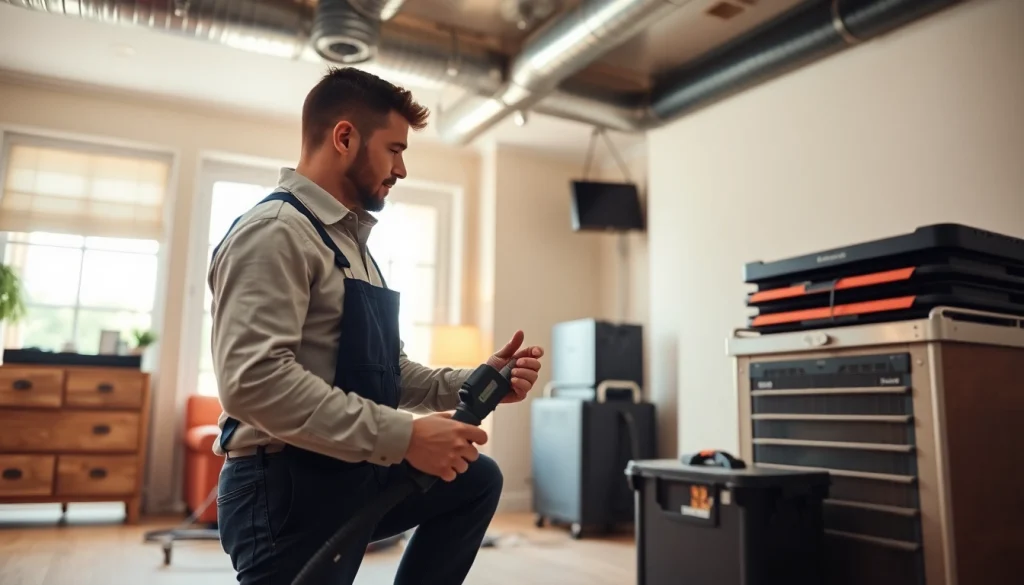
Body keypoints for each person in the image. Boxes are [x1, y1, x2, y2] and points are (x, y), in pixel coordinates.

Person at [208, 67, 545, 585]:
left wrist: (475, 383)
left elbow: (387, 370)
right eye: (394, 149)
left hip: (344, 467)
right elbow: (254, 383)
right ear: (345, 137)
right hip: (283, 489)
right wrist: (405, 436)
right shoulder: (275, 233)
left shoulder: (349, 244)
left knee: (474, 480)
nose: (402, 169)